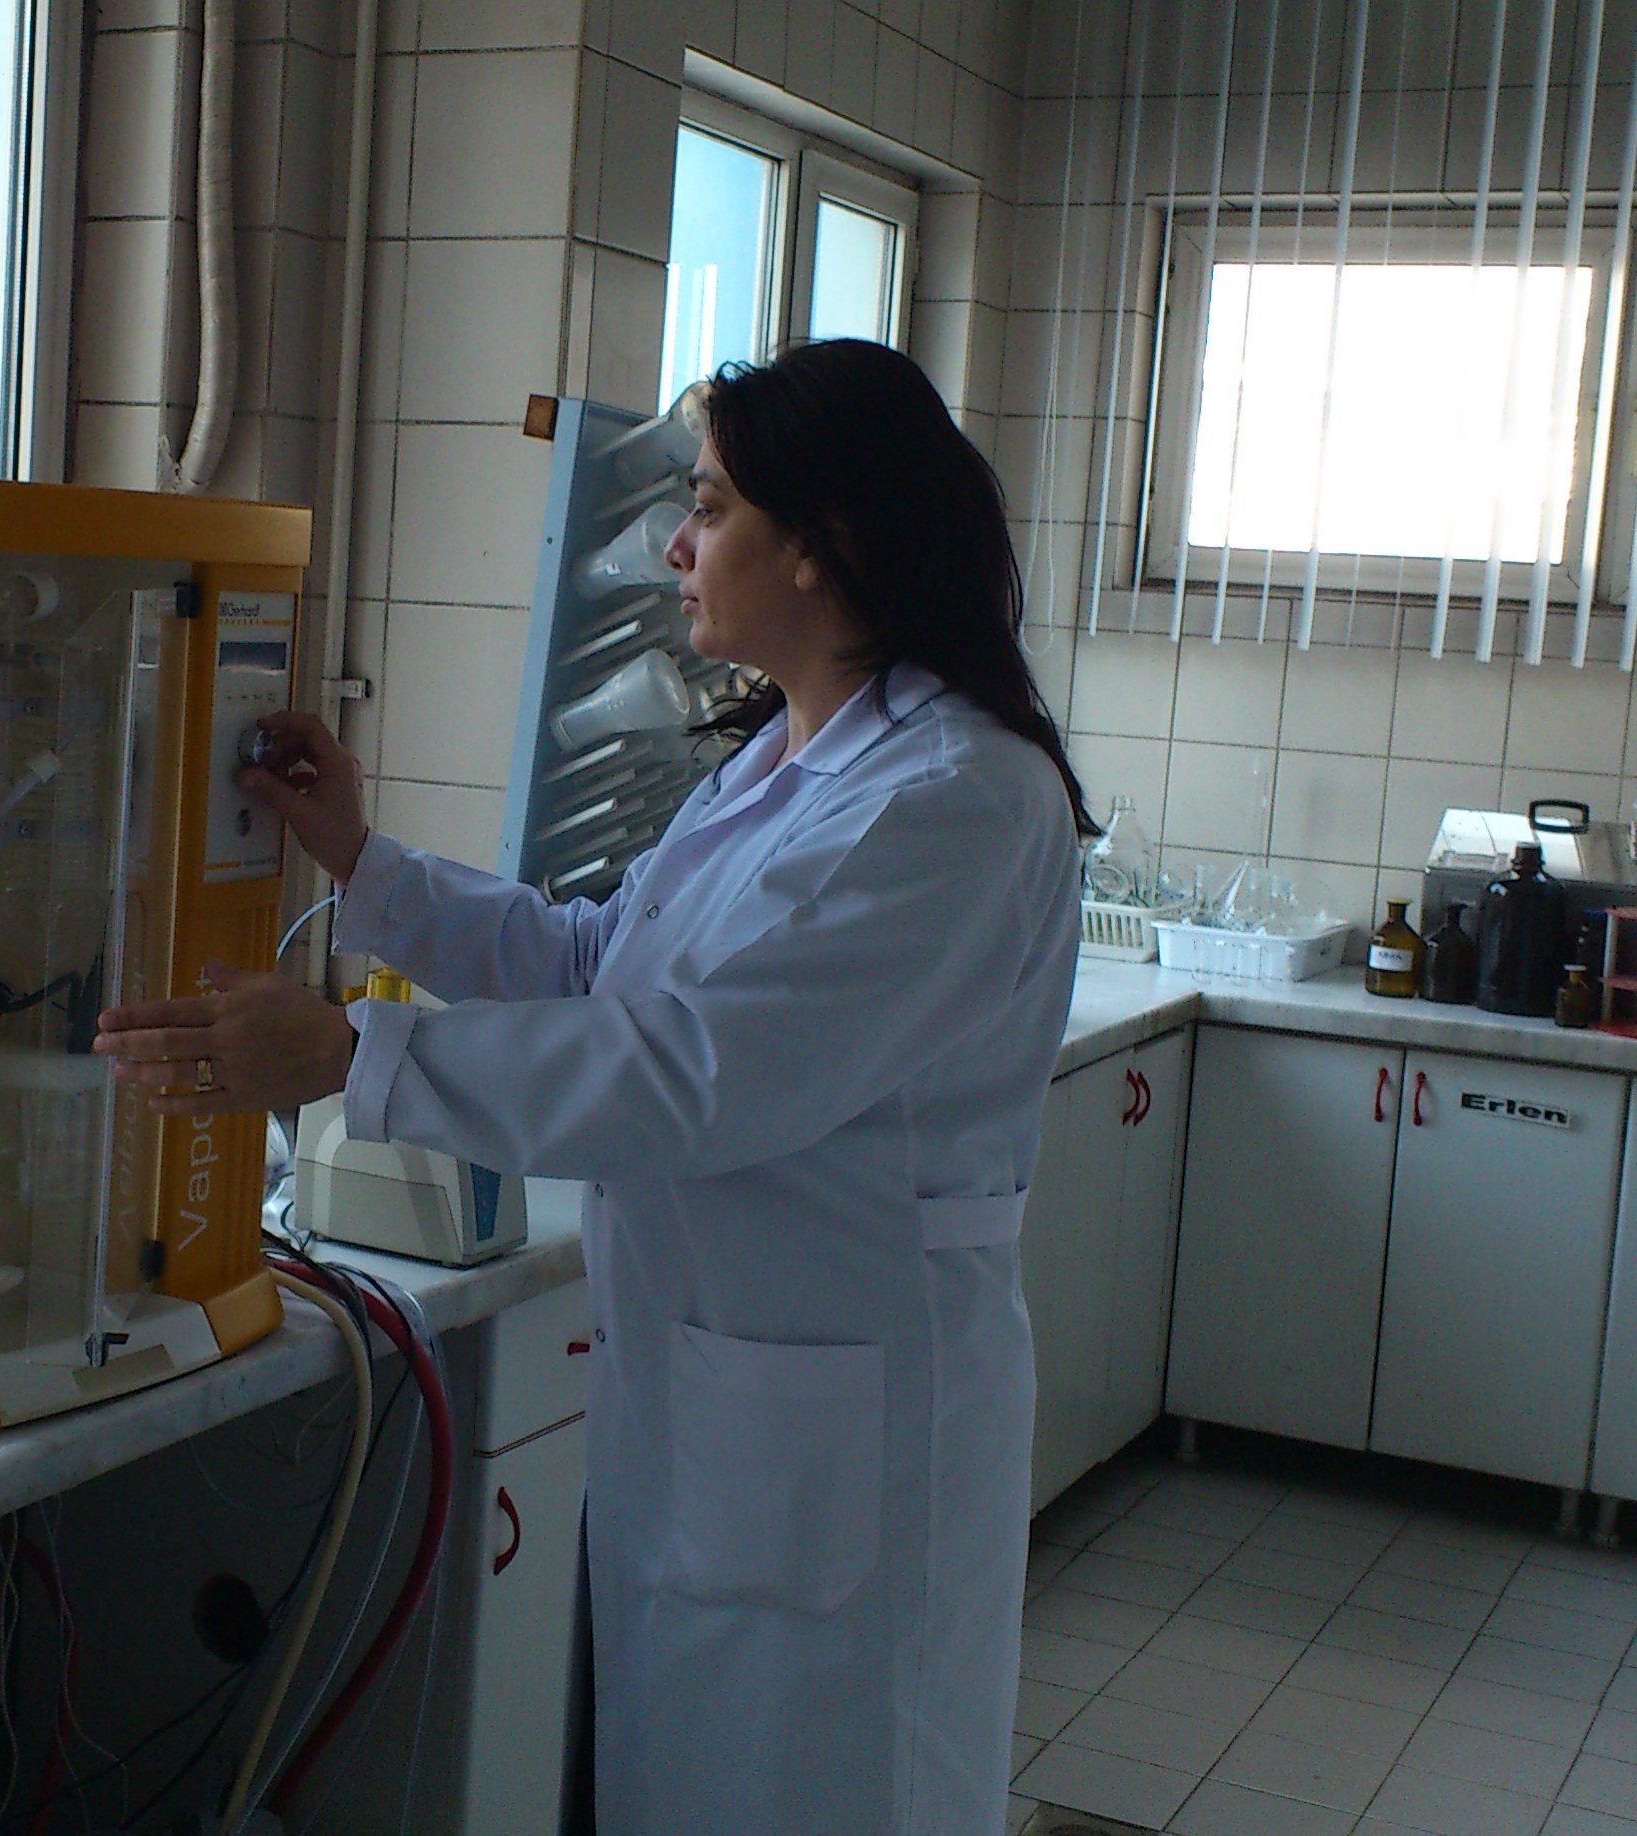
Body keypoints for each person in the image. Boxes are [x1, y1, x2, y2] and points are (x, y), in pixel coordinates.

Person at [93, 338, 1095, 1834]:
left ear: (821, 545)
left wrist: (352, 1057)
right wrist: (361, 858)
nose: (679, 547)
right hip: (738, 1398)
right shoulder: (778, 761)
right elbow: (595, 964)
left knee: (824, 1792)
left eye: (713, 508)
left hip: (848, 1420)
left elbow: (697, 1072)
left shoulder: (957, 798)